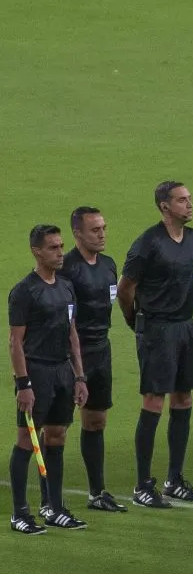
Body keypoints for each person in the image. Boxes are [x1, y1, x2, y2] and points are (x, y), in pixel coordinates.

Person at [117, 181, 193, 507]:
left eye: (189, 198)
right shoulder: (148, 244)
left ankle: (174, 479)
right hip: (156, 330)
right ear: (165, 206)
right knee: (154, 401)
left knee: (183, 399)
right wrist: (135, 322)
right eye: (182, 200)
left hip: (185, 327)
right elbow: (125, 289)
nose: (189, 204)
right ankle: (143, 485)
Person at [9, 225, 89, 533]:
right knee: (27, 441)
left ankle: (54, 508)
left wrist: (79, 376)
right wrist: (23, 383)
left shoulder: (66, 287)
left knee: (56, 438)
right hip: (37, 372)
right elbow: (15, 342)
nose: (60, 253)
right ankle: (19, 513)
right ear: (37, 251)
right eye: (53, 248)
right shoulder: (24, 291)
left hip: (62, 372)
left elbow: (72, 334)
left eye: (60, 246)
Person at [49, 207, 126, 512]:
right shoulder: (67, 269)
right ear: (77, 234)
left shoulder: (108, 265)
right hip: (70, 356)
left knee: (95, 421)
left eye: (103, 228)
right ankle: (50, 499)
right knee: (58, 428)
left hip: (101, 351)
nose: (102, 234)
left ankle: (97, 492)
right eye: (95, 230)